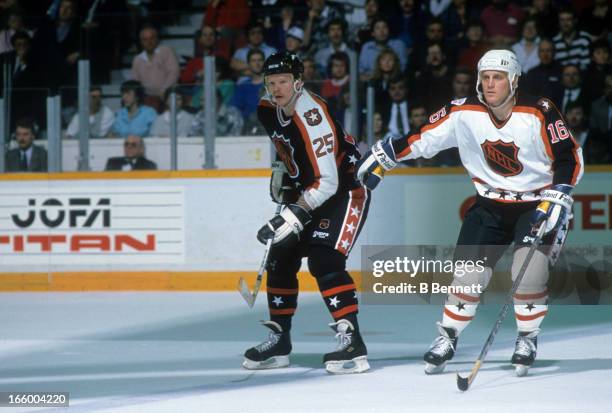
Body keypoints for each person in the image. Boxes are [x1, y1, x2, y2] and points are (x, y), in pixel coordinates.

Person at [357, 49, 583, 377]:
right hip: (488, 206)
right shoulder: (463, 111)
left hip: (537, 206)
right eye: (486, 77)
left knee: (528, 272)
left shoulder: (539, 111)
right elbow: (424, 139)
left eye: (498, 78)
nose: (490, 84)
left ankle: (527, 338)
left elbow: (569, 157)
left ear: (514, 81)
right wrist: (389, 154)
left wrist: (558, 195)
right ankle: (447, 336)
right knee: (467, 275)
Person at [243, 51, 370, 375]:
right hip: (313, 188)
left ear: (298, 82)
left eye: (284, 81)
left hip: (344, 190)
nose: (277, 88)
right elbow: (288, 148)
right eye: (271, 82)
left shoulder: (311, 114)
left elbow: (328, 181)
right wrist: (283, 173)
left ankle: (352, 341)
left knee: (324, 260)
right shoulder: (266, 108)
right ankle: (280, 340)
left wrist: (293, 212)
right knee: (281, 253)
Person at [131, 24, 180, 111]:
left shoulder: (166, 51)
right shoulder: (137, 59)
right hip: (147, 98)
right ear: (141, 42)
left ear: (157, 39)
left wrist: (164, 91)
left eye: (152, 38)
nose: (149, 42)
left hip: (167, 94)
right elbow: (136, 82)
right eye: (145, 40)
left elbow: (174, 73)